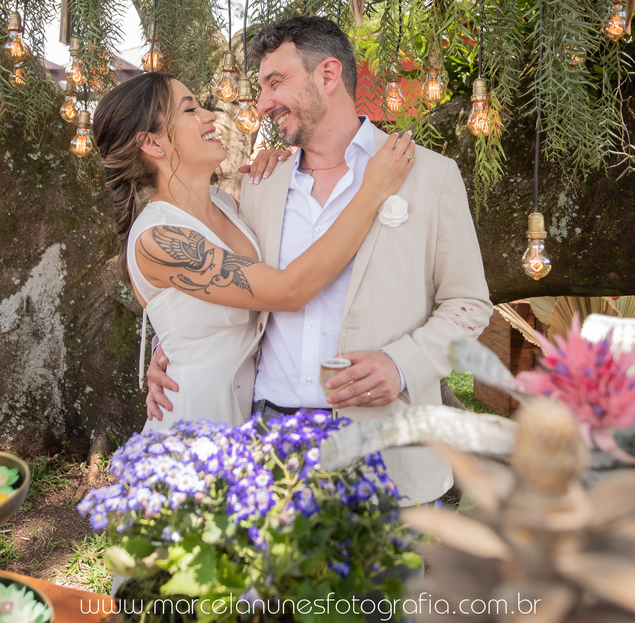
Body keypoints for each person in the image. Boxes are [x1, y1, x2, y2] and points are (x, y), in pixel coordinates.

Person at [148, 16, 493, 505]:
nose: (263, 102)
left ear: (328, 76)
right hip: (271, 439)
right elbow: (238, 288)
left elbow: (469, 303)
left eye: (275, 82)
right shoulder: (260, 183)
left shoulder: (429, 175)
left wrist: (401, 364)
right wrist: (173, 350)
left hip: (387, 440)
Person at [92, 71, 415, 431]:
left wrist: (282, 169)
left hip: (250, 413)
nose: (209, 116)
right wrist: (371, 192)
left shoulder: (226, 204)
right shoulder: (159, 238)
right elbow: (286, 290)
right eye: (189, 110)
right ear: (152, 144)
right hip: (195, 416)